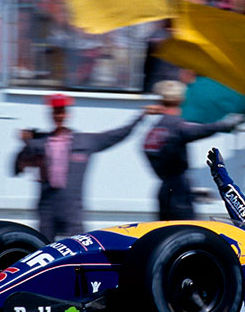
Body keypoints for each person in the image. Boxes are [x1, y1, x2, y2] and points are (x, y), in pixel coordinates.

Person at [15, 93, 150, 241]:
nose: (59, 116)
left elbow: (116, 135)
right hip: (47, 206)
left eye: (62, 111)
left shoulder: (84, 142)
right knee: (43, 248)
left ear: (67, 114)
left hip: (72, 207)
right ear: (51, 114)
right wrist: (25, 144)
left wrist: (141, 117)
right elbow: (16, 168)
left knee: (79, 247)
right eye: (56, 111)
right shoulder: (39, 143)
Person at [142, 80, 245, 220]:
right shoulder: (175, 125)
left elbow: (147, 150)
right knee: (185, 230)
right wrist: (225, 125)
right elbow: (199, 130)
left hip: (164, 188)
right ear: (181, 100)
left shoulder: (155, 129)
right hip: (179, 188)